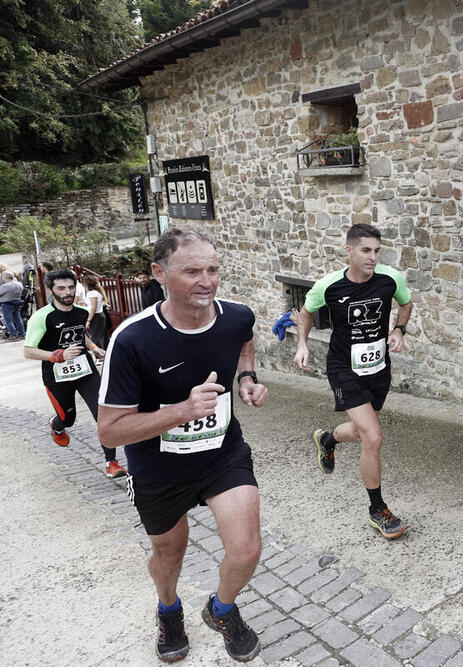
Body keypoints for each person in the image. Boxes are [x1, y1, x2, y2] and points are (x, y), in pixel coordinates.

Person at [97, 228, 269, 662]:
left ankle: (222, 609)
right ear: (159, 273)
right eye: (192, 271)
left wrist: (246, 378)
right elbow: (109, 431)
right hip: (159, 470)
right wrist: (180, 411)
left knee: (247, 550)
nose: (206, 281)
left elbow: (245, 340)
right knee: (169, 552)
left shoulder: (236, 315)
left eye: (212, 270)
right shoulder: (133, 339)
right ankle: (169, 609)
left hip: (223, 456)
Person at [294, 223, 413, 540]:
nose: (372, 257)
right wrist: (302, 344)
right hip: (343, 369)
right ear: (349, 251)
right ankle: (378, 510)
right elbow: (306, 312)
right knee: (373, 437)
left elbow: (406, 303)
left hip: (378, 368)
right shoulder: (328, 286)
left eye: (376, 250)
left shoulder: (391, 279)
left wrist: (399, 330)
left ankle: (328, 440)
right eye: (365, 250)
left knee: (363, 431)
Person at [21, 269, 125, 478]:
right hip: (57, 377)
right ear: (51, 290)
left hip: (86, 371)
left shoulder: (81, 312)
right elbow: (28, 351)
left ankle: (111, 463)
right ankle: (57, 424)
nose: (67, 292)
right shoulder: (41, 317)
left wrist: (94, 347)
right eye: (61, 288)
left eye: (70, 287)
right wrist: (58, 356)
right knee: (68, 418)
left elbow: (80, 335)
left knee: (102, 414)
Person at [82, 274, 110, 350]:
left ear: (87, 284)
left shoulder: (92, 293)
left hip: (96, 317)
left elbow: (93, 308)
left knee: (95, 338)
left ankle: (99, 355)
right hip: (98, 316)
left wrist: (88, 320)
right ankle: (103, 354)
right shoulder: (95, 292)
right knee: (102, 337)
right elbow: (92, 305)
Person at [0, 270, 26, 340]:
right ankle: (22, 334)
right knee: (18, 319)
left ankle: (14, 336)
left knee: (8, 321)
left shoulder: (5, 286)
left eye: (2, 277)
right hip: (17, 303)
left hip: (7, 304)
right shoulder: (19, 284)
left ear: (5, 277)